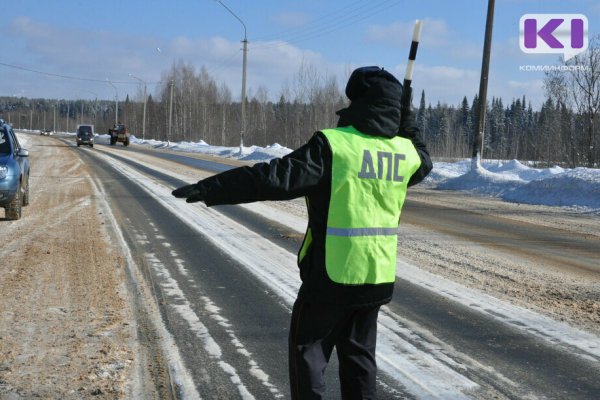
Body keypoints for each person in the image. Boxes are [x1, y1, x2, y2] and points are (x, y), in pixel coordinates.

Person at [172, 66, 432, 399]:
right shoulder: (404, 154)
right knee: (360, 360)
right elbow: (423, 154)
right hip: (376, 279)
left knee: (308, 352)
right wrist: (407, 118)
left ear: (357, 101)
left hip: (330, 277)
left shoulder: (335, 147)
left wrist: (214, 188)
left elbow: (275, 177)